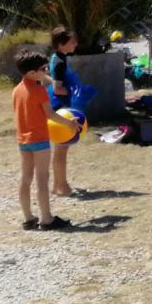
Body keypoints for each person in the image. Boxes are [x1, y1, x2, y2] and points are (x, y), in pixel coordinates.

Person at [13, 52, 79, 230]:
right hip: (39, 139)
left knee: (25, 178)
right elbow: (50, 114)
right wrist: (69, 123)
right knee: (42, 178)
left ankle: (28, 217)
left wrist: (46, 78)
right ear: (31, 72)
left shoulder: (17, 90)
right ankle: (46, 218)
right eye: (43, 69)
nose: (46, 71)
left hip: (23, 139)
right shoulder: (39, 90)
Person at [48, 27, 84, 197]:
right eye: (72, 42)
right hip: (60, 108)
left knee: (59, 149)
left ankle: (58, 185)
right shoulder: (60, 62)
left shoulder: (58, 58)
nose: (76, 44)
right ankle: (63, 187)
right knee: (61, 150)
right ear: (61, 44)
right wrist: (75, 92)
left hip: (59, 107)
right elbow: (57, 88)